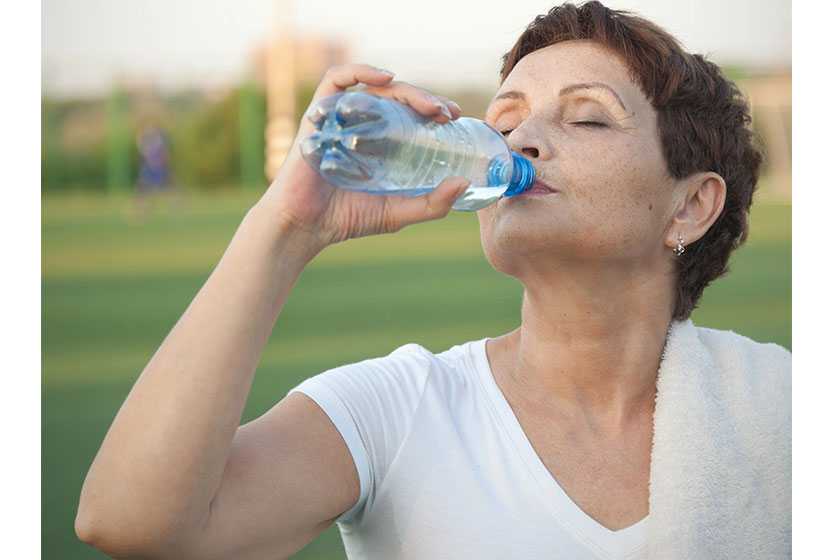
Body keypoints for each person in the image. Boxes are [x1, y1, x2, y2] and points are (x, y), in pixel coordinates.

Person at [75, 2, 791, 559]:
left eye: (587, 118)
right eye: (505, 118)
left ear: (692, 205)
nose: (520, 139)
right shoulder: (398, 409)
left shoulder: (785, 409)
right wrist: (285, 229)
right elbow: (131, 523)